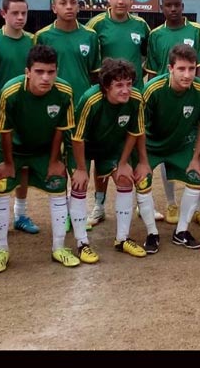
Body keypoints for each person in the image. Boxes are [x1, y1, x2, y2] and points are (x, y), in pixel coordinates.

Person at [0, 45, 81, 273]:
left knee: (59, 186)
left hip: (43, 149)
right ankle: (1, 250)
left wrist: (54, 161)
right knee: (0, 189)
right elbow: (4, 131)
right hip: (13, 149)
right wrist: (9, 163)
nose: (46, 77)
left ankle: (59, 247)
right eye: (39, 72)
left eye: (51, 72)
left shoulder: (64, 91)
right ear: (27, 71)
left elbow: (61, 128)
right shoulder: (10, 92)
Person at [85, 0, 158, 226]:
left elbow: (148, 56)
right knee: (102, 154)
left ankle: (142, 202)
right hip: (107, 101)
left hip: (134, 99)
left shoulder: (141, 25)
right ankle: (99, 204)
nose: (120, 1)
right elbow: (92, 62)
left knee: (137, 146)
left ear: (131, 0)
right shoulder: (96, 25)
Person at [67, 58, 152, 260]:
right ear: (106, 86)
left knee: (124, 179)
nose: (125, 90)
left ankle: (122, 239)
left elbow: (135, 132)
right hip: (83, 148)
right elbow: (77, 138)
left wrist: (124, 163)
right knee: (79, 185)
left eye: (129, 84)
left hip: (111, 146)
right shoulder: (91, 100)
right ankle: (82, 243)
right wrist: (80, 168)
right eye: (119, 85)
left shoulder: (136, 99)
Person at [36, 0, 101, 232]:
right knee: (56, 160)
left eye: (73, 3)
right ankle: (61, 212)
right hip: (54, 108)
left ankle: (78, 213)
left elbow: (95, 75)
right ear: (54, 7)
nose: (69, 7)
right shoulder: (43, 36)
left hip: (82, 109)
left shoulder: (90, 36)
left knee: (80, 161)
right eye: (63, 3)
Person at [144, 0, 200, 224]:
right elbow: (152, 72)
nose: (173, 9)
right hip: (165, 103)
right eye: (168, 5)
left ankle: (199, 207)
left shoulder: (196, 30)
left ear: (183, 6)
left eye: (177, 5)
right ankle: (171, 203)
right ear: (162, 8)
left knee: (195, 153)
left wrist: (195, 92)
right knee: (165, 152)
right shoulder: (155, 35)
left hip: (190, 102)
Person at [143, 44, 200, 251]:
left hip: (181, 145)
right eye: (181, 69)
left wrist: (195, 157)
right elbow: (138, 129)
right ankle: (151, 233)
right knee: (141, 181)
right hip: (150, 146)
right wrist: (141, 160)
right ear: (170, 68)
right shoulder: (152, 89)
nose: (187, 74)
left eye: (191, 69)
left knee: (196, 177)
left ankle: (181, 231)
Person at [0, 0, 40, 238]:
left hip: (27, 117)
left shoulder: (33, 41)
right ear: (3, 14)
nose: (20, 18)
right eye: (15, 13)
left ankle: (20, 214)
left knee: (24, 166)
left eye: (24, 13)